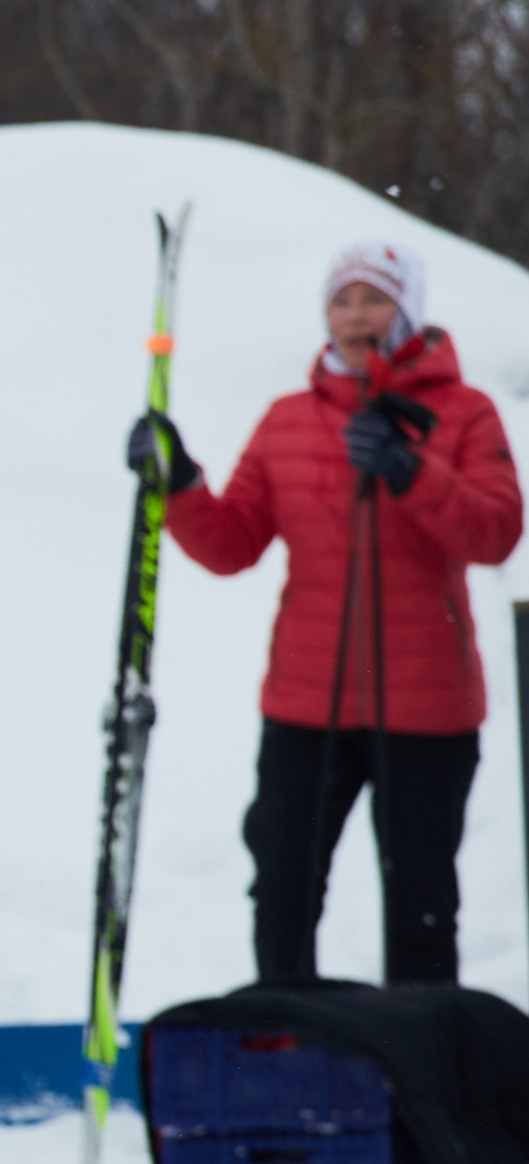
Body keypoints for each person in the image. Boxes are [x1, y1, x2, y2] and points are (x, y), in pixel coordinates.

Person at [142, 242, 523, 984]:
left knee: (419, 906)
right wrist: (181, 482)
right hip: (305, 706)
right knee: (282, 890)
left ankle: (421, 1074)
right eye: (341, 301)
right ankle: (286, 1050)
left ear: (408, 310)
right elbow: (232, 544)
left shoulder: (464, 413)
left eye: (373, 299)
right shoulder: (289, 420)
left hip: (427, 708)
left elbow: (497, 531)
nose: (355, 317)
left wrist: (412, 470)